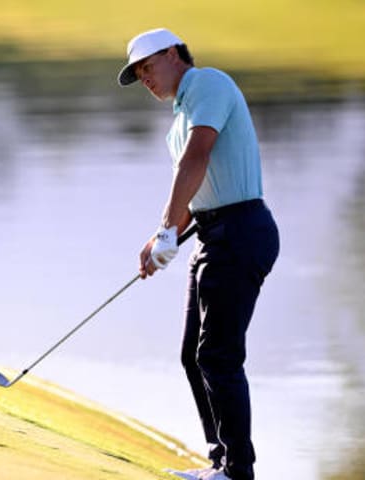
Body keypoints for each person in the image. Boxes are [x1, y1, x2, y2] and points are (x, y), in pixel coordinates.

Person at [117, 28, 280, 480]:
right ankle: (220, 462)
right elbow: (191, 192)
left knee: (219, 356)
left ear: (173, 54)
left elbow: (199, 157)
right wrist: (160, 238)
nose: (145, 78)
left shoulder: (208, 83)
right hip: (214, 235)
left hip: (241, 230)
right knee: (195, 355)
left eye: (148, 67)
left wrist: (170, 230)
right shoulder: (179, 120)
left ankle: (236, 470)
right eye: (138, 74)